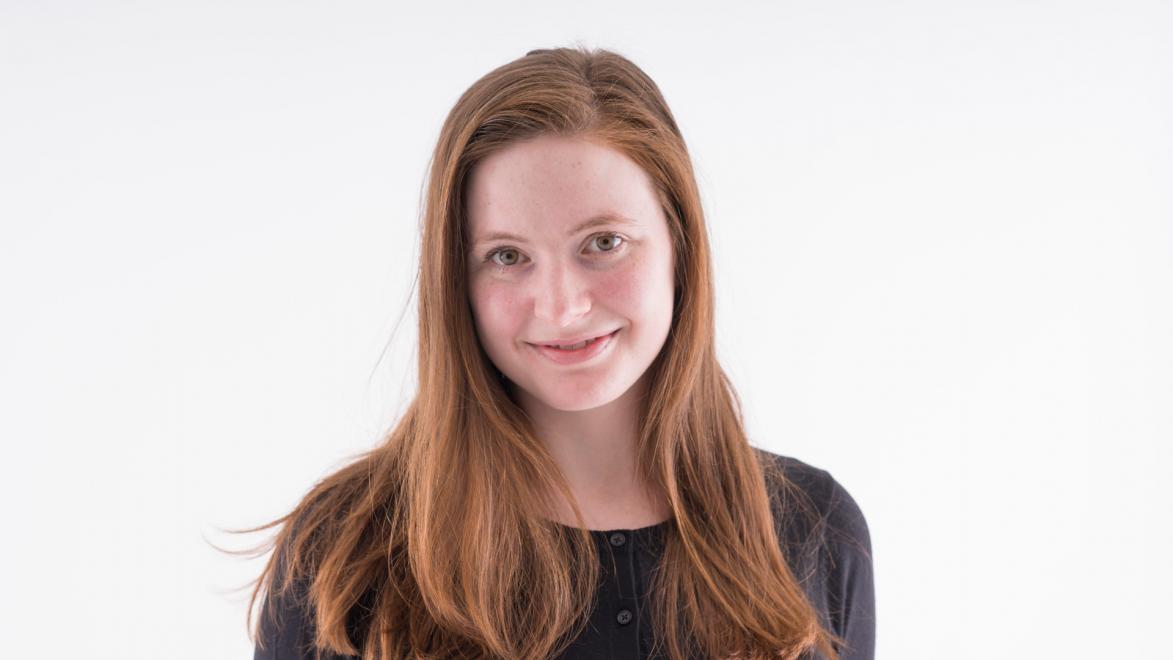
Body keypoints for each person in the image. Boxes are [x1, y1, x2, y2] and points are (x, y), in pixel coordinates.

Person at [246, 46, 874, 660]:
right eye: (507, 256)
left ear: (680, 245)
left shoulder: (816, 528)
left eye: (604, 242)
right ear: (456, 280)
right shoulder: (345, 549)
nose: (561, 306)